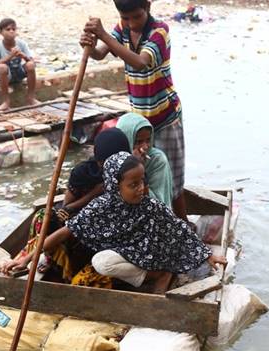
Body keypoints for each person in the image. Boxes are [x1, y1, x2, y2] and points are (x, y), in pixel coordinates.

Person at [5, 152, 226, 293]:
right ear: (115, 186)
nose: (141, 189)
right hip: (128, 256)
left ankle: (163, 271)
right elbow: (65, 233)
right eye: (133, 185)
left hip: (154, 253)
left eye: (142, 182)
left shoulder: (149, 205)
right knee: (101, 262)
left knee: (167, 235)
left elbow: (178, 227)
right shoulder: (100, 207)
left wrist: (209, 255)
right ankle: (154, 275)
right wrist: (26, 260)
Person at [79, 0, 188, 219]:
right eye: (125, 18)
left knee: (172, 177)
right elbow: (100, 53)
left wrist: (103, 34)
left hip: (165, 117)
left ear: (147, 7)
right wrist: (89, 46)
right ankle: (145, 221)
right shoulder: (122, 29)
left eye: (136, 17)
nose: (131, 24)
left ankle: (182, 221)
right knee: (137, 174)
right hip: (138, 123)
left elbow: (140, 62)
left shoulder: (159, 31)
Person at [1, 129, 131, 285]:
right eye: (105, 162)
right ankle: (52, 260)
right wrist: (94, 195)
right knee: (45, 217)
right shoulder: (84, 174)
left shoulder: (130, 174)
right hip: (81, 218)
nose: (110, 167)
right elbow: (68, 209)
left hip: (114, 234)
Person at [116, 112, 173, 207]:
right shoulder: (116, 158)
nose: (145, 147)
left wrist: (138, 167)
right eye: (138, 142)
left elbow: (158, 203)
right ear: (126, 139)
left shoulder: (157, 160)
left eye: (148, 140)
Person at [0, 18, 38, 110]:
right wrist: (10, 56)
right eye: (7, 29)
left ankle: (31, 98)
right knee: (2, 67)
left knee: (30, 65)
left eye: (13, 29)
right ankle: (6, 102)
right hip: (7, 76)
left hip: (19, 73)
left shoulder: (21, 43)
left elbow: (32, 63)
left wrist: (23, 56)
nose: (11, 31)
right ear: (1, 32)